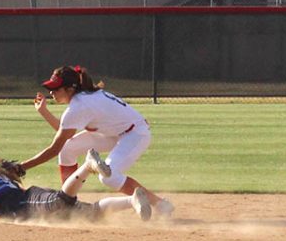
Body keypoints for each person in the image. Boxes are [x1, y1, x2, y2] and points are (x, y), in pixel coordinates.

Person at [18, 65, 174, 219]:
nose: (51, 92)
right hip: (115, 133)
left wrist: (21, 168)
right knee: (68, 148)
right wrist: (44, 111)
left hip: (135, 134)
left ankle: (161, 204)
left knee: (109, 176)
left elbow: (54, 148)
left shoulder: (79, 106)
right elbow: (65, 135)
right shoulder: (84, 98)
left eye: (56, 88)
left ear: (70, 89)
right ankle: (68, 202)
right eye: (50, 88)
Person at [0, 148, 152, 222]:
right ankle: (132, 200)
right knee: (91, 213)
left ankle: (87, 166)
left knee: (62, 201)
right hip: (29, 201)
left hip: (28, 203)